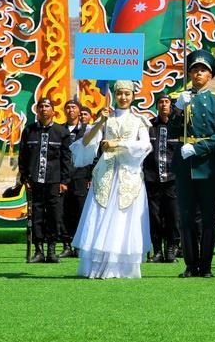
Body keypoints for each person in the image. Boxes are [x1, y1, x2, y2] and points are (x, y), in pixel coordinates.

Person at [70, 81, 152, 278]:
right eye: (120, 94)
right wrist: (100, 121)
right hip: (106, 173)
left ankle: (120, 267)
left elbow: (146, 145)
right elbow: (86, 142)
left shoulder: (139, 120)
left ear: (133, 96)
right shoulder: (106, 117)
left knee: (123, 218)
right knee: (100, 216)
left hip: (128, 175)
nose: (123, 97)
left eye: (127, 94)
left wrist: (119, 143)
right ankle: (96, 266)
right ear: (114, 95)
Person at [174, 49, 215, 278]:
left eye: (203, 70)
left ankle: (205, 265)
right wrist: (178, 109)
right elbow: (173, 129)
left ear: (210, 75)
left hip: (207, 164)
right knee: (186, 217)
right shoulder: (182, 98)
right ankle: (190, 264)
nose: (198, 73)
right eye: (194, 69)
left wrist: (197, 148)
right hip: (185, 166)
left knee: (208, 217)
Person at [18, 97, 74, 263]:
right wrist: (24, 178)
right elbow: (23, 156)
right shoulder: (29, 131)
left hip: (54, 181)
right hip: (35, 181)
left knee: (54, 216)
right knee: (36, 216)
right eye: (41, 106)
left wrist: (64, 181)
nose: (44, 109)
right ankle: (38, 250)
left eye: (47, 106)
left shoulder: (61, 132)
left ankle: (51, 250)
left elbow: (66, 158)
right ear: (37, 110)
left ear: (53, 110)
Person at [144, 92, 181, 263]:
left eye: (167, 102)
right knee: (155, 215)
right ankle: (157, 250)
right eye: (160, 102)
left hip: (173, 180)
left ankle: (172, 247)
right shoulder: (149, 127)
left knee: (173, 215)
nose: (164, 105)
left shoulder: (178, 127)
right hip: (152, 179)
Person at [59, 99, 88, 258]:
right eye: (68, 107)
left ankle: (79, 245)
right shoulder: (59, 130)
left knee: (79, 211)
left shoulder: (86, 130)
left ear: (79, 111)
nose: (71, 110)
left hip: (80, 176)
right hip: (62, 177)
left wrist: (90, 175)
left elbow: (94, 153)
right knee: (63, 211)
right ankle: (66, 245)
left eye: (73, 107)